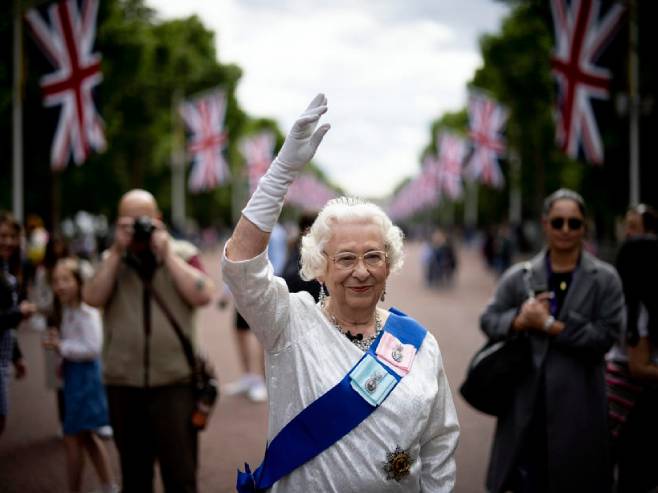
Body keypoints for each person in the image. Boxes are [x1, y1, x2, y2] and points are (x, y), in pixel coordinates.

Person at [222, 94, 459, 492]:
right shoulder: (289, 323)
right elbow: (241, 264)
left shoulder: (419, 345)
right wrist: (282, 171)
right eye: (346, 258)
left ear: (389, 264)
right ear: (320, 266)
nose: (361, 271)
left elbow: (440, 445)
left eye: (373, 256)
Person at [480, 188, 624, 493]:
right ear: (545, 224)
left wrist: (549, 325)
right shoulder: (520, 276)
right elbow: (489, 319)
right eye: (558, 222)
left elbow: (607, 336)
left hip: (581, 408)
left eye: (574, 223)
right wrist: (519, 320)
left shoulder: (605, 279)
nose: (566, 230)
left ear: (584, 226)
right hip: (526, 410)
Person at [82, 189, 215, 493]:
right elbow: (91, 297)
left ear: (158, 219)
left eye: (144, 220)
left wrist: (167, 255)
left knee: (181, 475)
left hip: (174, 382)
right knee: (134, 475)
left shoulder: (183, 253)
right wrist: (117, 252)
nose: (138, 228)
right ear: (118, 224)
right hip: (123, 383)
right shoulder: (110, 258)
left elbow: (204, 294)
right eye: (129, 222)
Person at [43, 257, 117, 493]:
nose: (60, 285)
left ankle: (78, 488)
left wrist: (62, 346)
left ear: (78, 281)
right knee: (86, 436)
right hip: (76, 376)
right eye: (56, 281)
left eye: (66, 279)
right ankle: (108, 485)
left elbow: (93, 348)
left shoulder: (86, 311)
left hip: (85, 379)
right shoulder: (69, 309)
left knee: (73, 437)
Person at [610, 203, 658, 492]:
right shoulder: (638, 304)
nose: (627, 234)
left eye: (633, 227)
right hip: (636, 405)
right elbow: (639, 366)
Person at [0, 212, 36, 437]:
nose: (8, 241)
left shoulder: (9, 269)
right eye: (3, 236)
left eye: (13, 236)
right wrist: (19, 313)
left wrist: (16, 356)